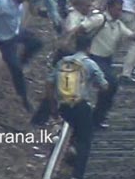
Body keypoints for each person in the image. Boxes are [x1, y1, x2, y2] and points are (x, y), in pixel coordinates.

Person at [77, 0, 135, 129]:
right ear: (109, 8)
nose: (119, 12)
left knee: (108, 88)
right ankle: (95, 118)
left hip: (106, 59)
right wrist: (81, 46)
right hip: (94, 58)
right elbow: (81, 28)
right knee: (110, 84)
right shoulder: (100, 19)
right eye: (117, 9)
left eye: (120, 9)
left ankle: (97, 118)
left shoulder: (118, 24)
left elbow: (133, 37)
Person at [46, 34, 108, 179]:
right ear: (89, 47)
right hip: (81, 107)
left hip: (64, 106)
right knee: (85, 141)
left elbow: (48, 83)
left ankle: (68, 155)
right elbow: (104, 86)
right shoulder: (90, 63)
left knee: (64, 138)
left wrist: (53, 107)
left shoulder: (62, 62)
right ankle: (77, 174)